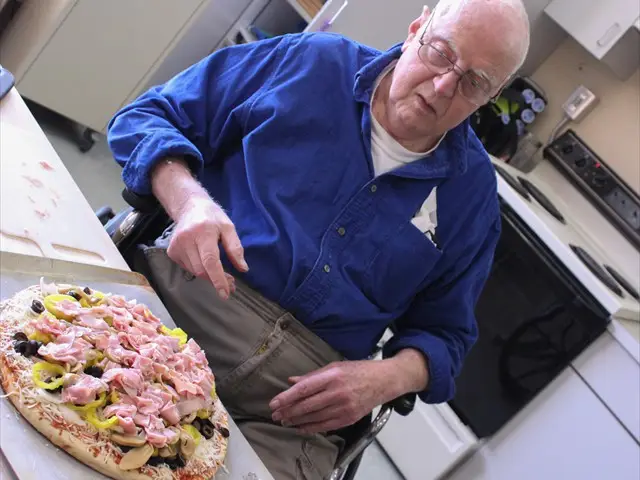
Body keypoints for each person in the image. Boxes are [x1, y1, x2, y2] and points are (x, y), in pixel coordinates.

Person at [107, 0, 530, 478]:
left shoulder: (472, 195)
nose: (442, 86)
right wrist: (189, 202)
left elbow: (447, 335)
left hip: (291, 412)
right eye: (441, 53)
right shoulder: (310, 63)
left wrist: (389, 376)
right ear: (416, 28)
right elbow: (147, 117)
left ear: (492, 95)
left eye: (474, 82)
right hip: (175, 309)